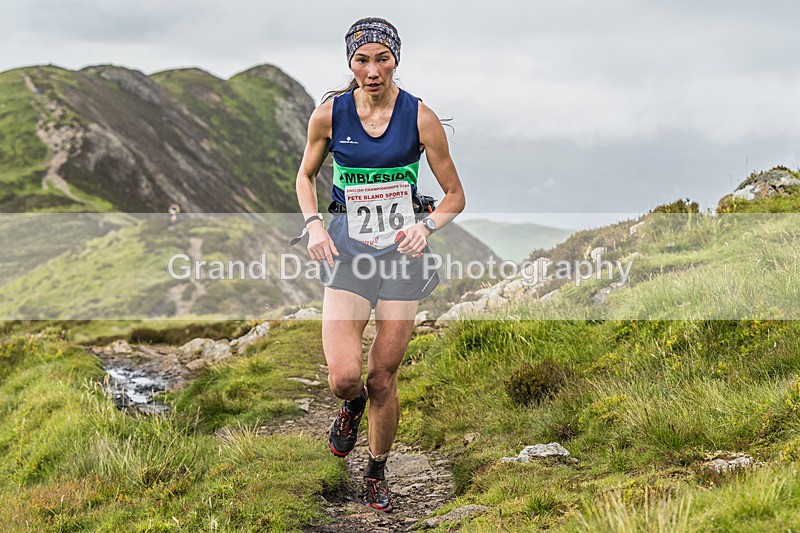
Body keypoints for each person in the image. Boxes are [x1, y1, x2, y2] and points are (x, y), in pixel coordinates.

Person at [294, 17, 466, 512]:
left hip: (401, 260)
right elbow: (305, 177)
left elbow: (455, 197)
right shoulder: (329, 116)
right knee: (344, 378)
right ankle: (350, 407)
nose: (372, 70)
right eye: (362, 60)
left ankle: (375, 472)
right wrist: (314, 226)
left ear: (396, 60)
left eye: (382, 59)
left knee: (382, 379)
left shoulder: (420, 118)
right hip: (347, 254)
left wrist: (425, 227)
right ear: (350, 62)